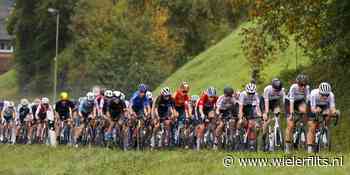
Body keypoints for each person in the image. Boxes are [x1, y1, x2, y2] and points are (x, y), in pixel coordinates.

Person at [308, 82, 338, 153]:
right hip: (314, 105)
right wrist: (316, 110)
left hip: (324, 105)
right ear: (319, 92)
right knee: (312, 126)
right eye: (323, 95)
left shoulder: (331, 95)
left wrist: (334, 112)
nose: (325, 97)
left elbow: (332, 107)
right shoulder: (313, 94)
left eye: (326, 95)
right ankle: (309, 148)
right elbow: (312, 109)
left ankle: (325, 128)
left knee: (328, 114)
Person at [284, 74, 310, 153]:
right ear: (297, 83)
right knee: (291, 124)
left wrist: (308, 113)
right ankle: (287, 148)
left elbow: (307, 100)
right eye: (301, 85)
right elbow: (291, 101)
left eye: (304, 85)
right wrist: (291, 114)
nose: (303, 87)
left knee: (305, 111)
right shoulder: (293, 87)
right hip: (289, 102)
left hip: (299, 102)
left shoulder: (307, 88)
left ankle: (301, 128)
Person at [261, 79, 285, 149]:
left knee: (278, 113)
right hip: (265, 101)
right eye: (275, 90)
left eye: (278, 90)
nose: (276, 92)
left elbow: (283, 103)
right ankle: (264, 137)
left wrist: (282, 110)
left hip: (274, 102)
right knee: (266, 119)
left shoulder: (282, 91)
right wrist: (266, 113)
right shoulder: (267, 89)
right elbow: (266, 102)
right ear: (272, 87)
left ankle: (277, 131)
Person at [238, 83, 262, 150]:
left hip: (249, 107)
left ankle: (251, 143)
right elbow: (240, 108)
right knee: (241, 121)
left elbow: (257, 106)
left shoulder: (256, 95)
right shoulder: (243, 94)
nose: (251, 95)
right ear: (246, 91)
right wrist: (240, 117)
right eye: (249, 93)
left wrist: (260, 114)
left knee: (251, 124)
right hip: (242, 107)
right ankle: (238, 133)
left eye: (252, 93)